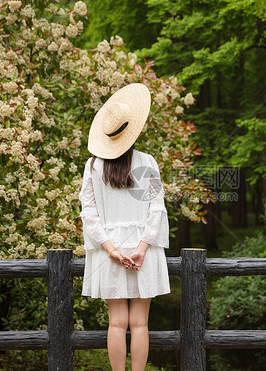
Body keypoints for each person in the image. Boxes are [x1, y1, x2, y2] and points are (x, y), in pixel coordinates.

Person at [79, 83, 170, 371]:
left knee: (116, 323)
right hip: (144, 246)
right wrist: (142, 248)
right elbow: (157, 208)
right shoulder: (148, 161)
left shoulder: (93, 166)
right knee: (140, 323)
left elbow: (88, 212)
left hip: (109, 250)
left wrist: (111, 249)